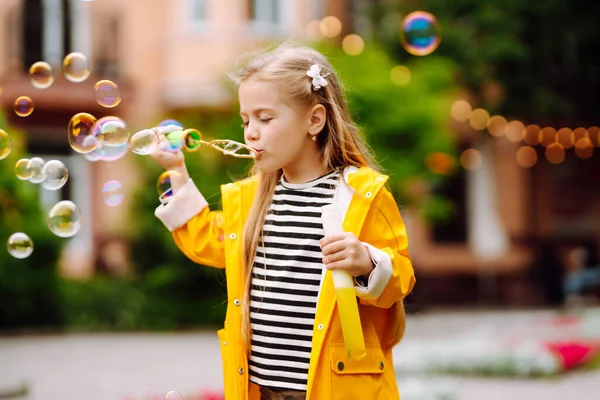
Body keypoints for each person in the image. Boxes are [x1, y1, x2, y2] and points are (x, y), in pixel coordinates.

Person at [150, 41, 416, 400]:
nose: (250, 132)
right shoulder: (251, 200)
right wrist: (177, 172)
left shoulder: (362, 195)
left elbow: (399, 279)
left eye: (265, 118)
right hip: (261, 391)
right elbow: (208, 241)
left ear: (315, 120)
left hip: (335, 389)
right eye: (246, 120)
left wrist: (367, 262)